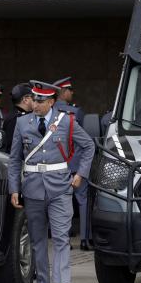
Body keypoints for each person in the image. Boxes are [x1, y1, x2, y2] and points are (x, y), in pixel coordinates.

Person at [8, 80, 95, 283]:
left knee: (60, 238)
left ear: (52, 102)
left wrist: (80, 174)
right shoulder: (22, 123)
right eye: (34, 99)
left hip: (60, 188)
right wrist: (14, 188)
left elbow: (88, 146)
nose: (35, 104)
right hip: (33, 188)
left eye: (40, 101)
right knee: (37, 240)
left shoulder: (66, 121)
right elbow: (14, 159)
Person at [53, 76, 90, 250]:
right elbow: (83, 139)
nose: (72, 92)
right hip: (76, 164)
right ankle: (84, 239)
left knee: (61, 204)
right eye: (70, 89)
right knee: (82, 201)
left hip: (58, 164)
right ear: (64, 92)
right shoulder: (77, 112)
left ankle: (64, 239)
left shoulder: (50, 112)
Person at [2, 83, 33, 153]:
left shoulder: (21, 116)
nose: (36, 101)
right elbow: (13, 149)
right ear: (26, 100)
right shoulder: (14, 119)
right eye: (33, 98)